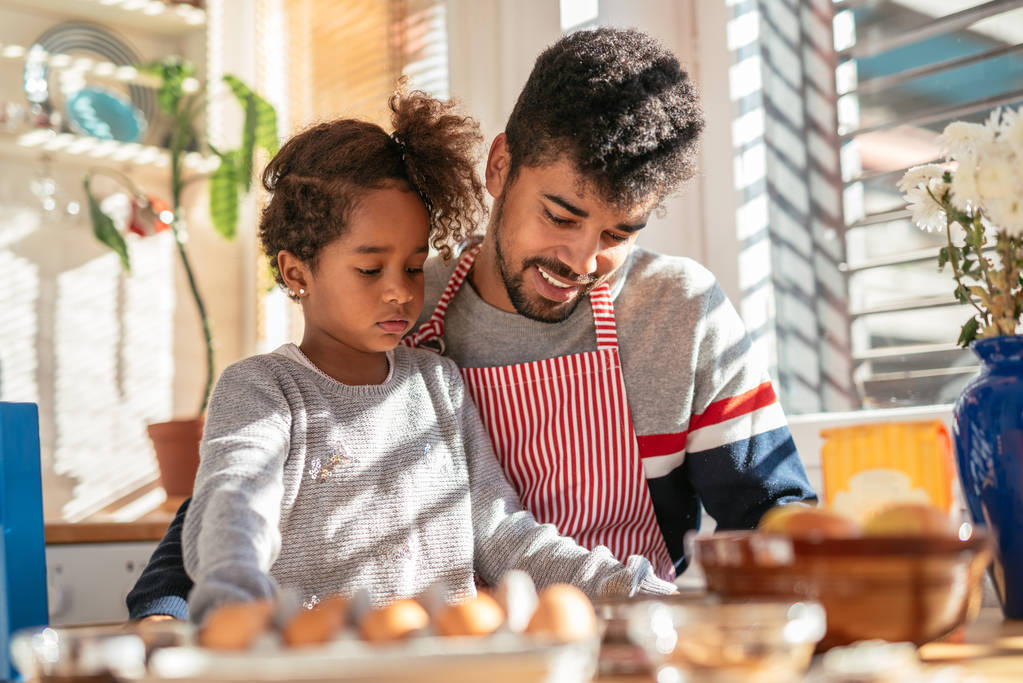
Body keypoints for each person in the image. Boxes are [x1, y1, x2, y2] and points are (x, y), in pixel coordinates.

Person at [128, 27, 815, 621]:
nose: (580, 260)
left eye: (617, 232)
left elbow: (771, 511)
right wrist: (168, 614)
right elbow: (233, 503)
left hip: (622, 644)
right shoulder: (399, 314)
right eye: (560, 215)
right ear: (500, 165)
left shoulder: (678, 311)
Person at [178, 88, 675, 625]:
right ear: (297, 273)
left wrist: (633, 588)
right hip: (316, 664)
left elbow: (502, 533)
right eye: (371, 270)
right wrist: (233, 607)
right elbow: (233, 502)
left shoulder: (438, 384)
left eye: (414, 267)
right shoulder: (263, 390)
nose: (399, 291)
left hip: (447, 661)